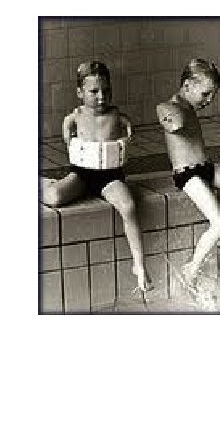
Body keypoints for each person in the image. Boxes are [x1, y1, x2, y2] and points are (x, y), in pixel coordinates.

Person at [41, 61, 152, 293]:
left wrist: (127, 130)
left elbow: (127, 131)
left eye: (106, 91)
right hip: (82, 174)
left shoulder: (117, 116)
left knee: (129, 206)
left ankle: (139, 266)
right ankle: (42, 182)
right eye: (94, 91)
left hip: (110, 177)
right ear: (79, 92)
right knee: (53, 197)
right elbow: (69, 140)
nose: (102, 97)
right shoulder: (74, 118)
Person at [157, 58, 220, 299]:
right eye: (205, 94)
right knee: (217, 222)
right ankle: (191, 269)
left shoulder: (188, 106)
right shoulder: (169, 107)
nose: (209, 100)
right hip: (187, 174)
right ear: (187, 86)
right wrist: (172, 115)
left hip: (206, 168)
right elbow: (173, 121)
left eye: (212, 95)